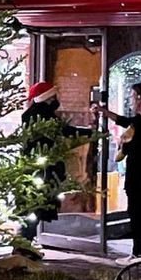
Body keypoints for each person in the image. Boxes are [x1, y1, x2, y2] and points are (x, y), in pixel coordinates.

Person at [94, 80, 141, 260]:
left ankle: (138, 252)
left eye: (133, 96)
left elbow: (136, 141)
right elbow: (126, 122)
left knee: (137, 212)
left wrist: (124, 145)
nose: (131, 100)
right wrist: (104, 112)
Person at [19, 81, 88, 253]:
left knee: (34, 209)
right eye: (54, 96)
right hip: (42, 170)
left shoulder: (36, 113)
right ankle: (24, 245)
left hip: (37, 169)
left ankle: (26, 244)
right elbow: (64, 131)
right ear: (48, 97)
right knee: (35, 208)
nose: (57, 99)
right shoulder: (43, 115)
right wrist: (90, 132)